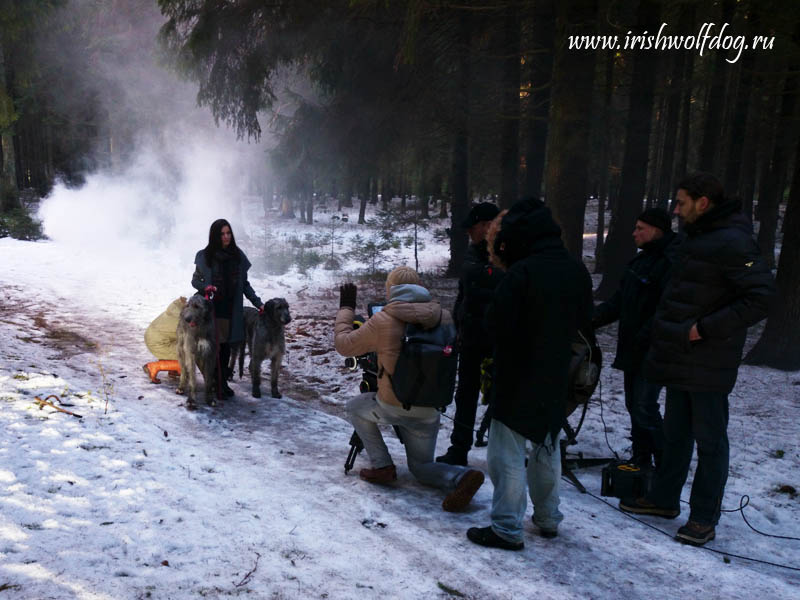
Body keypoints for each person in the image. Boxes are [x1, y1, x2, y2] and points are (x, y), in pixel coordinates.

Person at [620, 173, 775, 546]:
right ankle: (663, 499)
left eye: (681, 202)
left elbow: (761, 297)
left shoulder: (734, 241)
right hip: (678, 357)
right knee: (675, 436)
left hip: (708, 360)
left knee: (709, 442)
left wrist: (704, 328)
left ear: (702, 202)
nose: (675, 210)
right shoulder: (696, 237)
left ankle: (703, 518)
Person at [467, 198, 594, 550]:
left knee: (506, 454)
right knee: (547, 446)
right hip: (556, 373)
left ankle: (507, 528)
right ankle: (548, 518)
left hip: (517, 373)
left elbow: (495, 323)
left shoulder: (522, 272)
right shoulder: (574, 268)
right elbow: (586, 318)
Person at [334, 266, 485, 512]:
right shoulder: (444, 316)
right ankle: (460, 477)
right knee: (422, 468)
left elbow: (344, 345)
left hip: (393, 404)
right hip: (431, 408)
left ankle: (382, 465)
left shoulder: (383, 319)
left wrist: (346, 309)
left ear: (390, 290)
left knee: (354, 407)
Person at [593, 208, 677, 470]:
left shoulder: (671, 262)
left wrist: (645, 338)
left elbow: (668, 311)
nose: (634, 233)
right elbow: (618, 302)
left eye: (640, 228)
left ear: (657, 230)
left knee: (644, 406)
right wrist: (586, 321)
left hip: (655, 351)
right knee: (634, 406)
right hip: (634, 350)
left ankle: (665, 467)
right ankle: (641, 461)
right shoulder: (640, 262)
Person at [436, 202, 503, 466]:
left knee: (499, 398)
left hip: (498, 340)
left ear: (487, 226)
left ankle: (501, 455)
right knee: (465, 395)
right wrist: (458, 323)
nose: (469, 234)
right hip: (471, 338)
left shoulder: (507, 253)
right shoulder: (472, 253)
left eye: (472, 228)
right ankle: (458, 449)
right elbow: (464, 294)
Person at [191, 219, 263, 398]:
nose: (226, 237)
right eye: (222, 234)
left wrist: (258, 303)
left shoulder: (237, 256)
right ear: (215, 236)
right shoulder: (205, 256)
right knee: (213, 348)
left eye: (228, 233)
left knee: (225, 348)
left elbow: (245, 285)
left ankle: (221, 381)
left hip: (231, 309)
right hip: (211, 309)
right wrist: (205, 287)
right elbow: (195, 280)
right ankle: (215, 381)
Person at [142, 296, 186, 383]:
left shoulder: (176, 309)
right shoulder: (181, 320)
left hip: (155, 338)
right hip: (158, 343)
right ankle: (154, 366)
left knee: (181, 346)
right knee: (188, 358)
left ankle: (173, 370)